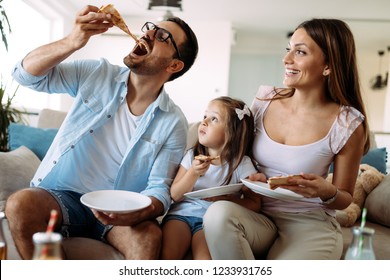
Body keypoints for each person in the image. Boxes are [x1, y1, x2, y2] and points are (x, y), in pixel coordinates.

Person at [5, 5, 198, 260]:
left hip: (120, 208)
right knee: (20, 204)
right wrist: (73, 41)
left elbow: (159, 189)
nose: (148, 34)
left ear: (174, 65)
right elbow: (25, 76)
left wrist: (136, 213)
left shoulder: (173, 122)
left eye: (162, 36)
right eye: (150, 28)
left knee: (149, 236)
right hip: (62, 197)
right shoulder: (97, 73)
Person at [203, 18, 370, 260]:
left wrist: (326, 190)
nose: (287, 59)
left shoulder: (347, 123)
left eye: (300, 52)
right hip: (257, 215)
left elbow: (343, 199)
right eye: (288, 49)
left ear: (328, 66)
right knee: (217, 214)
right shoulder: (264, 100)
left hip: (309, 224)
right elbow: (239, 154)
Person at [160, 96, 262, 260]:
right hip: (180, 215)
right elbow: (175, 195)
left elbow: (255, 204)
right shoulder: (191, 156)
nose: (204, 122)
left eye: (214, 119)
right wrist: (193, 172)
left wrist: (227, 200)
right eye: (204, 116)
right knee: (167, 257)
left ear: (231, 132)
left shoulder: (241, 164)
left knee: (205, 260)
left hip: (211, 223)